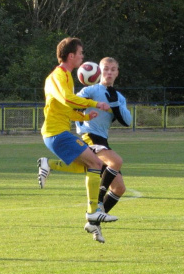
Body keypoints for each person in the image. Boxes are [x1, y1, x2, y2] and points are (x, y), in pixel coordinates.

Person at [37, 37, 118, 242]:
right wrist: (94, 104)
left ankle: (92, 218)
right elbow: (67, 99)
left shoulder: (66, 76)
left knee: (93, 167)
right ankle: (92, 213)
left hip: (59, 132)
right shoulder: (57, 75)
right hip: (56, 133)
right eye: (81, 53)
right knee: (96, 163)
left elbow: (65, 108)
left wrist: (83, 116)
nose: (83, 57)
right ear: (71, 55)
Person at [76, 57, 132, 243]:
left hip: (103, 139)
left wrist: (115, 105)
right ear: (99, 72)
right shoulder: (91, 90)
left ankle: (94, 223)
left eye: (113, 69)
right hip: (89, 137)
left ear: (117, 73)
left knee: (119, 188)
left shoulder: (118, 96)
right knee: (116, 161)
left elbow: (127, 121)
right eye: (106, 69)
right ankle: (98, 203)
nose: (109, 72)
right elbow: (73, 104)